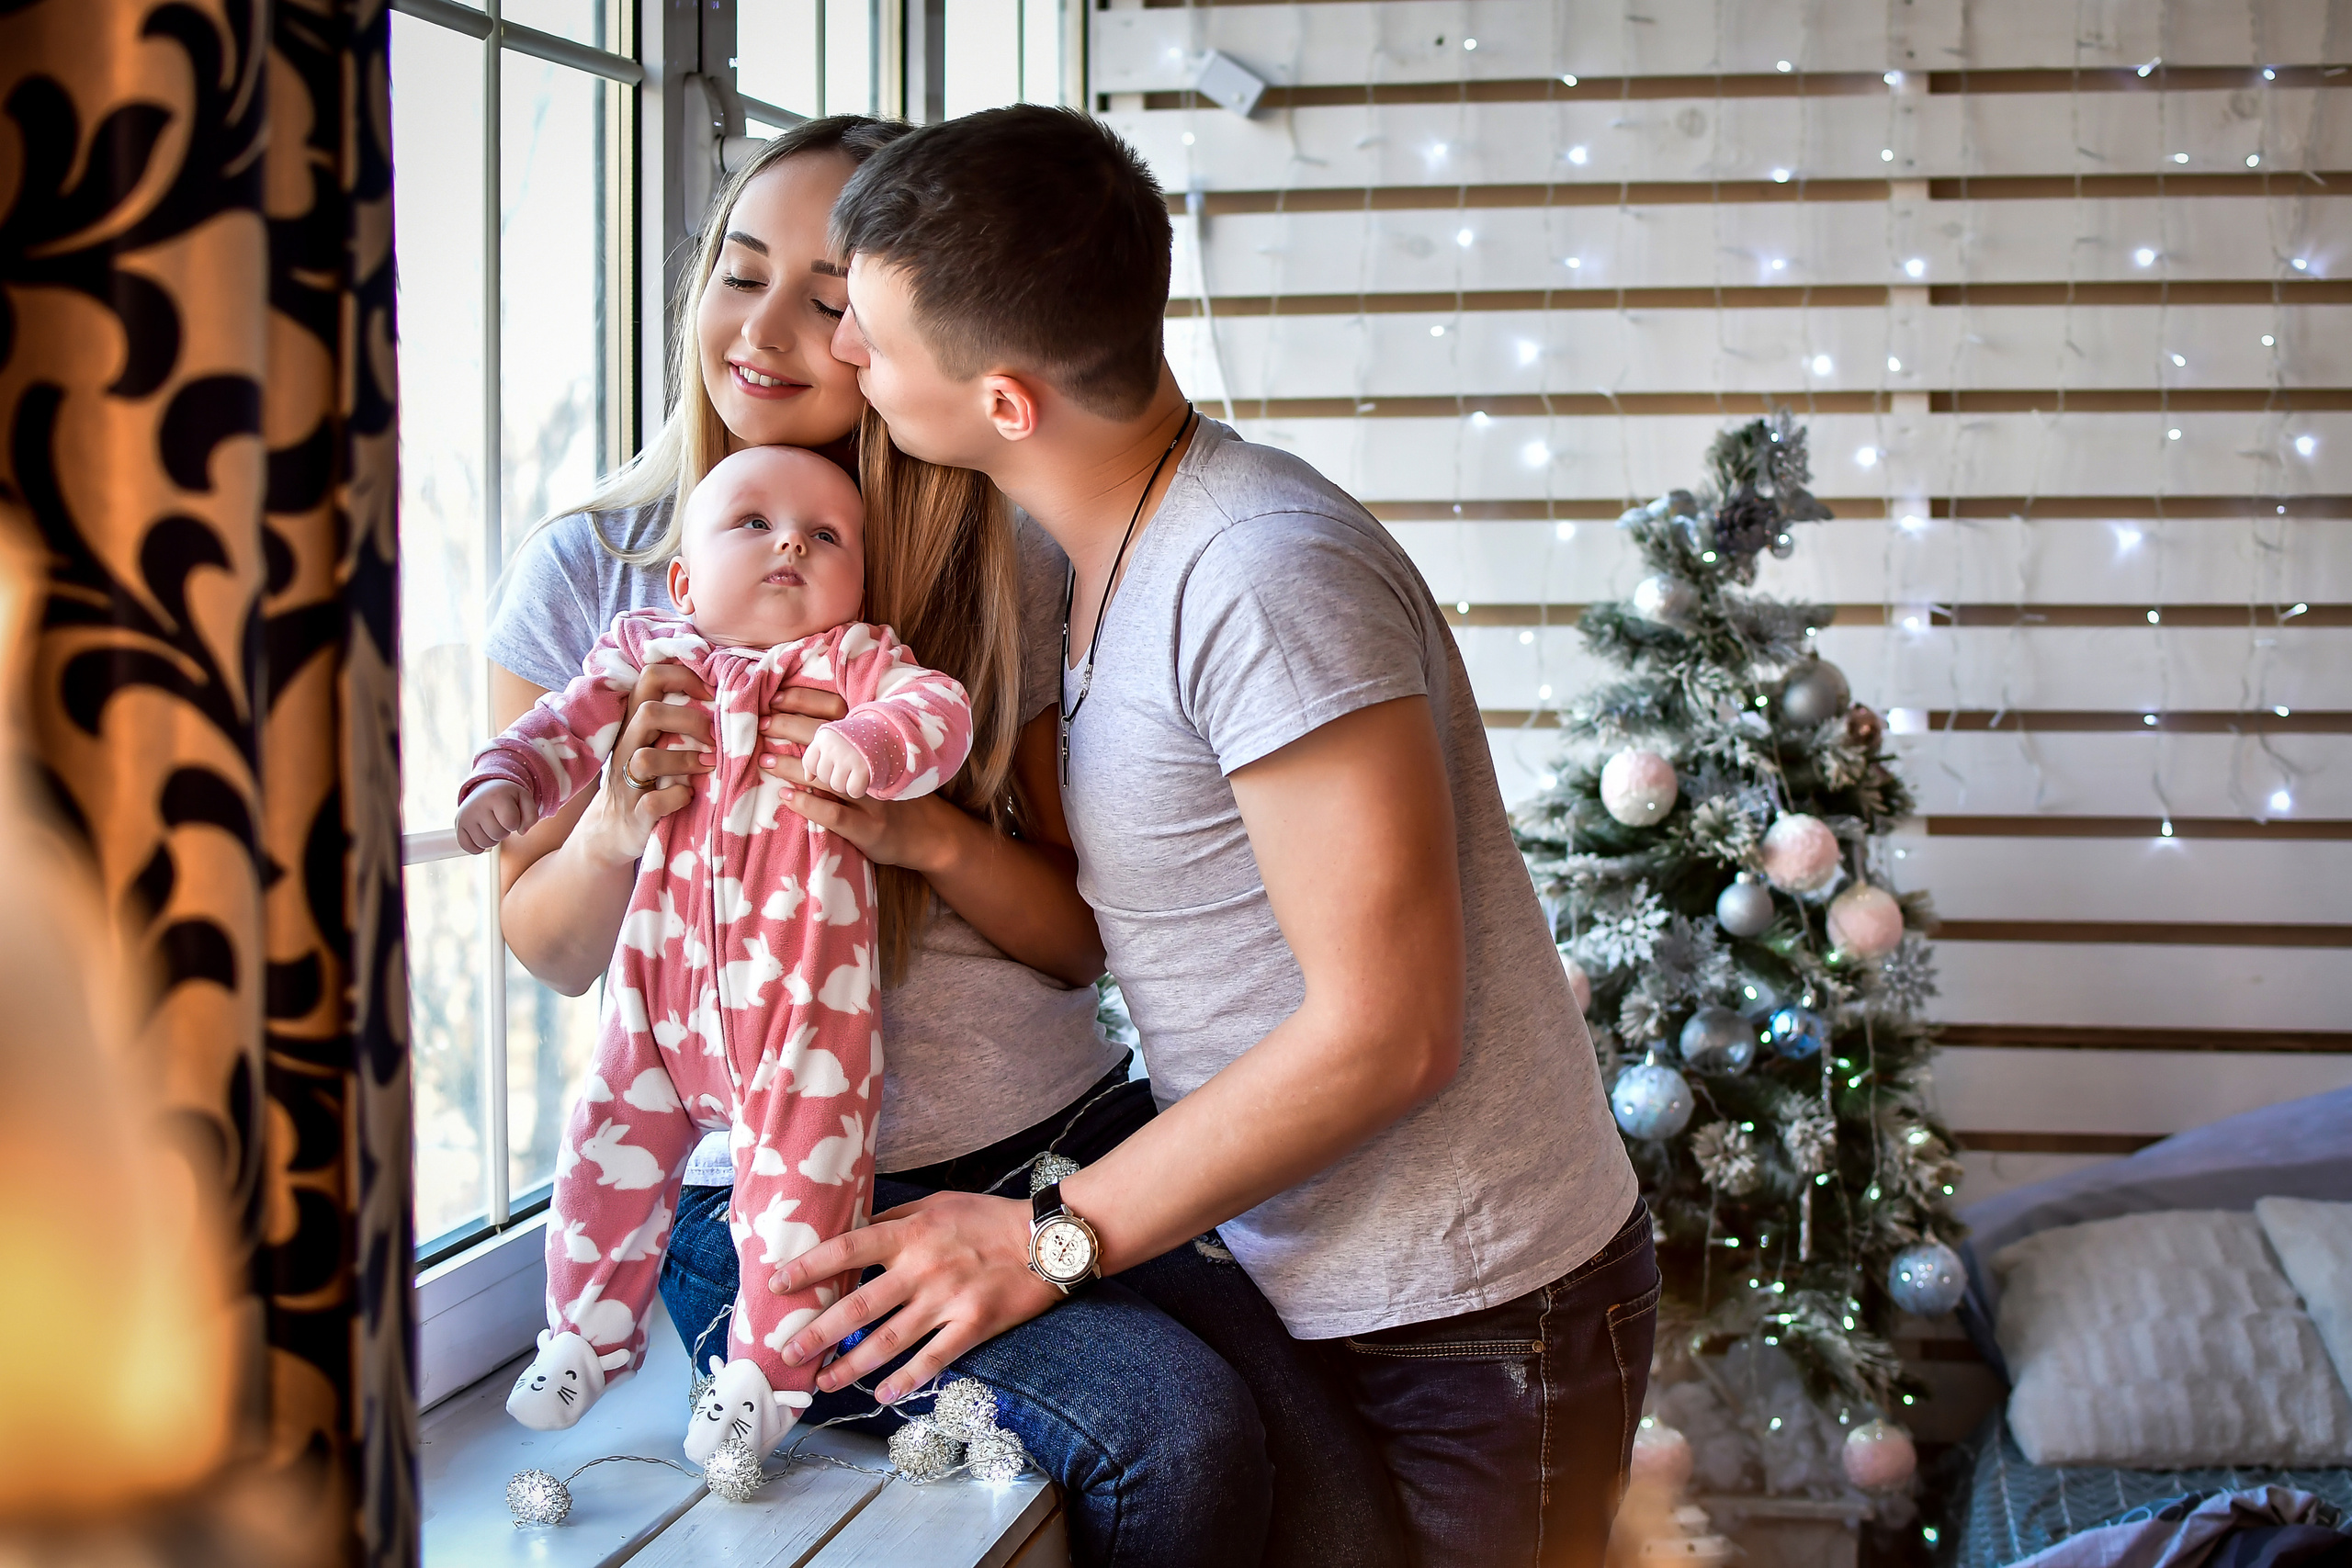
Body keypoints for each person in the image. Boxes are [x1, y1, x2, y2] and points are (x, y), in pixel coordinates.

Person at [484, 114, 1399, 1567]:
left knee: (1346, 1502)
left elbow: (1071, 938)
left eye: (833, 297)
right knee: (1175, 1434)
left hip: (1072, 1140)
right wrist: (611, 823)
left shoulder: (999, 557)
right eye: (740, 271)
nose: (772, 330)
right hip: (789, 1201)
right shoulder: (595, 571)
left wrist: (924, 835)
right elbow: (543, 942)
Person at [769, 104, 1659, 1568]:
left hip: (1478, 1314)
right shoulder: (1112, 546)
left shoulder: (1259, 575)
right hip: (1312, 1276)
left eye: (863, 326)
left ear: (1003, 402)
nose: (844, 356)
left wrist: (1047, 1234)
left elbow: (1391, 1034)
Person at [469, 445, 975, 1463]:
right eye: (753, 522)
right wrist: (508, 778)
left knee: (802, 1198)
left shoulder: (850, 659)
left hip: (803, 1020)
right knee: (602, 1157)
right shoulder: (648, 652)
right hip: (656, 1007)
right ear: (684, 579)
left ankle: (763, 1379)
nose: (791, 540)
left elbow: (941, 714)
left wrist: (869, 743)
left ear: (856, 582)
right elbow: (560, 725)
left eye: (825, 535)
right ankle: (582, 1338)